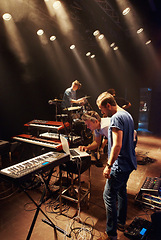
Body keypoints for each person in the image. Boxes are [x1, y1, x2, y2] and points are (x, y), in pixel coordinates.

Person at [96, 92, 137, 240]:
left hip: (120, 165)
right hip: (129, 163)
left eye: (102, 109)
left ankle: (111, 233)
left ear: (108, 105)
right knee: (121, 192)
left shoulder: (116, 117)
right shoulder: (127, 114)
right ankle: (120, 222)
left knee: (108, 195)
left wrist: (108, 165)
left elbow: (116, 145)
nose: (102, 113)